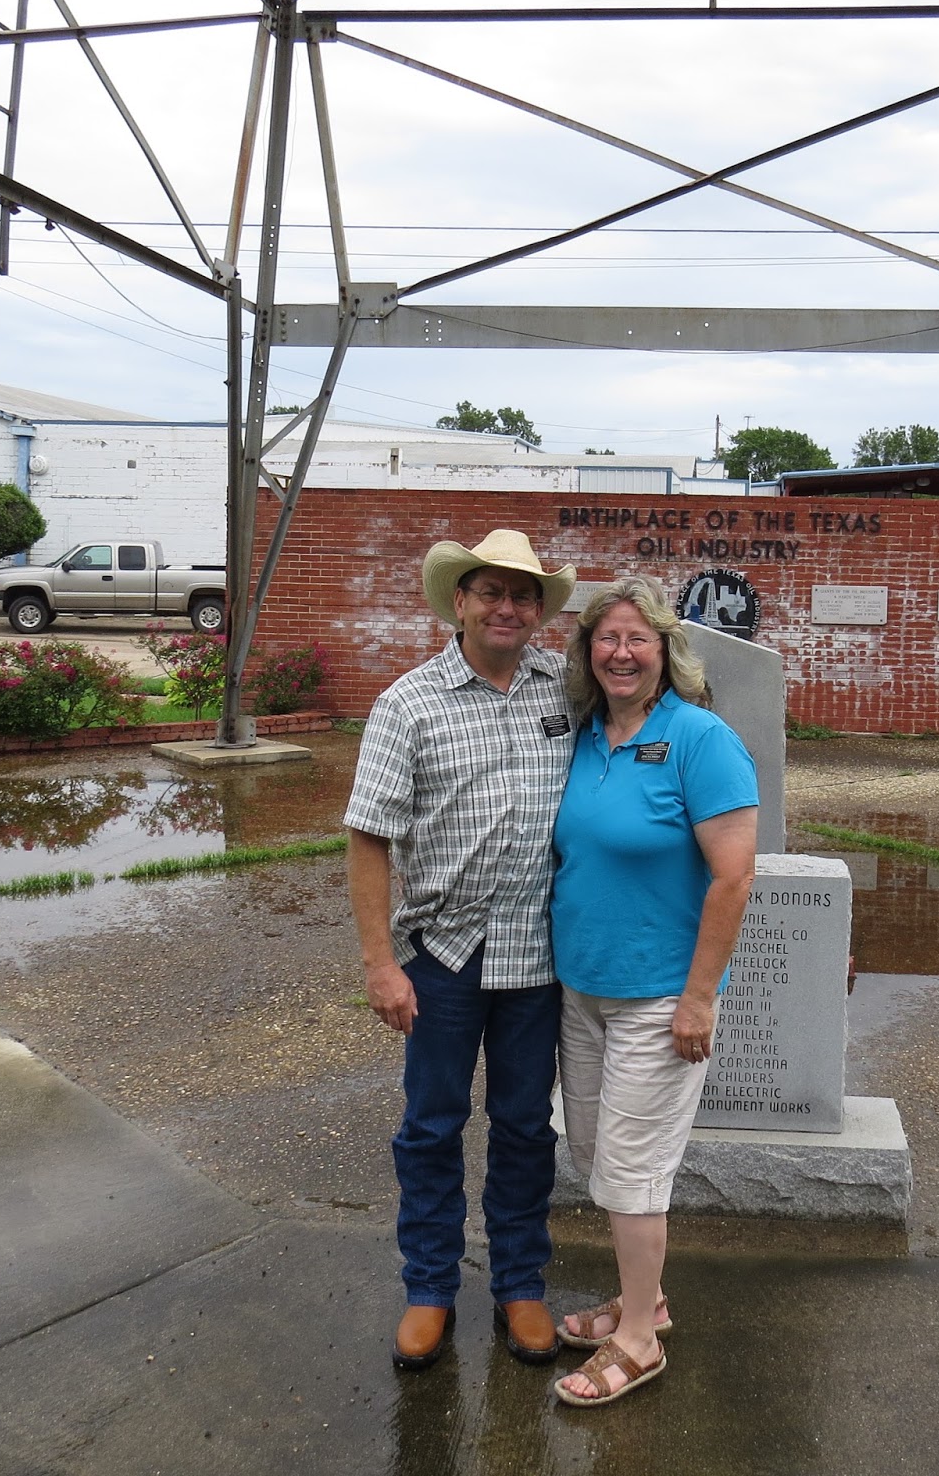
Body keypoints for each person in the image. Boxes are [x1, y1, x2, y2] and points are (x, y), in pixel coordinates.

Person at [344, 528, 578, 1372]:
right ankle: (429, 1289)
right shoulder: (409, 702)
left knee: (524, 1126)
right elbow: (370, 838)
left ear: (537, 610)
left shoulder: (568, 690)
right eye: (492, 592)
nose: (508, 607)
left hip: (541, 954)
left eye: (523, 595)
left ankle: (520, 1283)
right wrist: (380, 963)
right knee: (432, 1126)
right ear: (461, 602)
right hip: (443, 954)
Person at [548, 576, 758, 1407]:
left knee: (634, 1173)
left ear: (667, 652)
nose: (622, 653)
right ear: (587, 653)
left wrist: (699, 997)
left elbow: (734, 878)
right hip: (583, 990)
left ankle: (639, 1342)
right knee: (599, 1158)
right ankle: (649, 1300)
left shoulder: (701, 740)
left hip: (658, 998)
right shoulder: (585, 735)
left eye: (639, 639)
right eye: (607, 639)